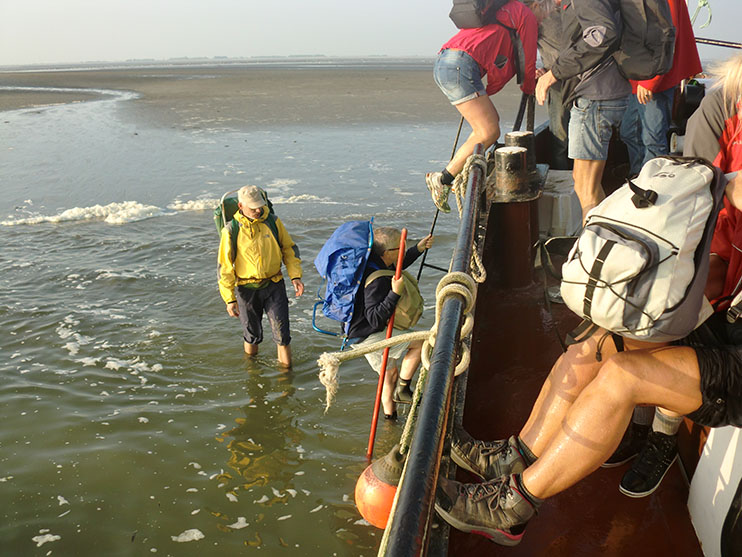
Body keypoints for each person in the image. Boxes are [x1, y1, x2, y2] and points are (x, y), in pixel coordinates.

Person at [434, 54, 742, 546]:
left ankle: (513, 506)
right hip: (724, 310)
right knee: (591, 347)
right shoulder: (726, 107)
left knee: (620, 377)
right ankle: (514, 455)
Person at [426, 0, 547, 213]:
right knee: (489, 130)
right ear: (536, 4)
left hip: (448, 60)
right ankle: (443, 180)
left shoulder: (503, 9)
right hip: (460, 65)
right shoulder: (526, 15)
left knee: (488, 128)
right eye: (546, 12)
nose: (545, 18)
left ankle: (447, 178)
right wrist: (530, 86)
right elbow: (527, 58)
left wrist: (486, 90)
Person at [535, 0, 630, 222]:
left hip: (594, 97)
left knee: (586, 188)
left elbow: (602, 33)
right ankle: (604, 237)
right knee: (584, 181)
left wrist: (553, 74)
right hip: (606, 93)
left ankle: (591, 249)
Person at [346, 227, 434, 419]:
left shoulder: (376, 263)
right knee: (421, 344)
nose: (403, 250)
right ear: (387, 252)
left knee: (389, 377)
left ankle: (390, 418)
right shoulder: (377, 280)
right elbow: (375, 319)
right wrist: (394, 293)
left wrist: (417, 249)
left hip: (361, 330)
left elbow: (397, 265)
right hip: (368, 334)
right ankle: (403, 389)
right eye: (400, 248)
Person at [217, 185, 304, 367]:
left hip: (275, 285)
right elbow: (225, 268)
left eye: (260, 205)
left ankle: (287, 380)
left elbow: (289, 249)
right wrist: (229, 300)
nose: (258, 210)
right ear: (241, 206)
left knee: (283, 336)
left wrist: (295, 276)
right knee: (252, 336)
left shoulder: (272, 221)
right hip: (246, 289)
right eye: (253, 207)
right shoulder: (231, 230)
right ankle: (253, 373)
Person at [619, 0, 702, 176]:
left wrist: (650, 80)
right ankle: (637, 177)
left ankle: (652, 185)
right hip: (637, 77)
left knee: (653, 139)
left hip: (654, 78)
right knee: (629, 132)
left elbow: (666, 36)